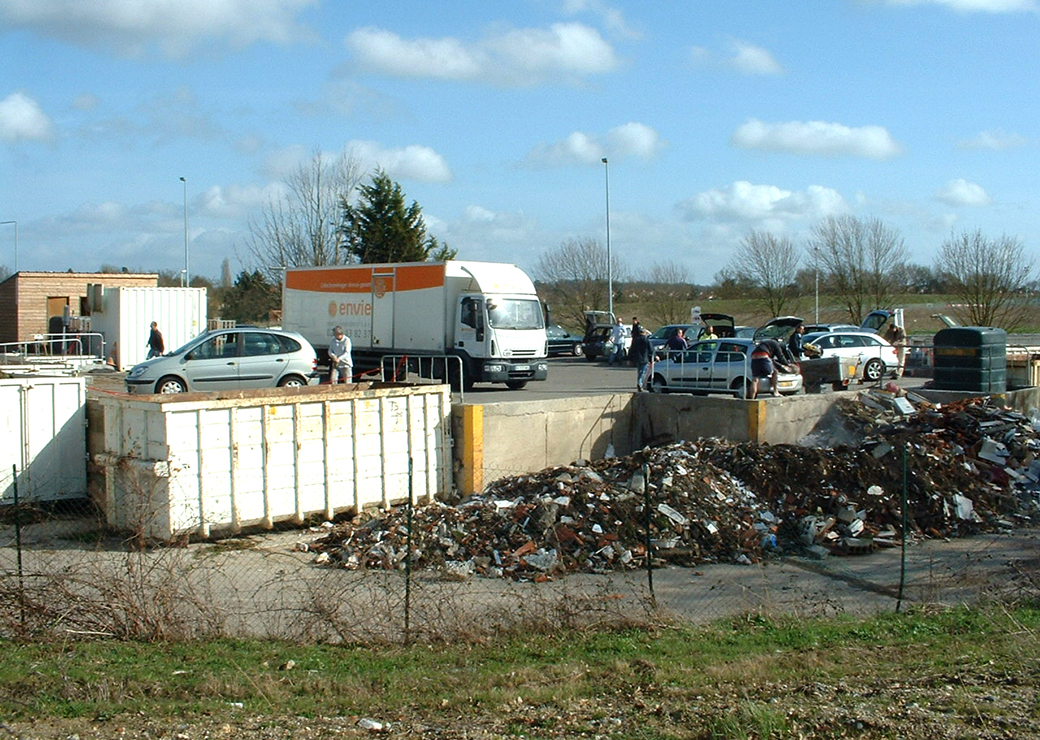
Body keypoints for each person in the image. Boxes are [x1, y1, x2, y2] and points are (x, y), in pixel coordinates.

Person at [629, 324, 653, 392]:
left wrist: (630, 358)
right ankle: (640, 383)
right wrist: (654, 356)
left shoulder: (635, 340)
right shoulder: (646, 340)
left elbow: (631, 349)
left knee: (639, 371)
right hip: (644, 358)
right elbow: (651, 349)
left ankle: (639, 383)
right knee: (643, 372)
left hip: (637, 358)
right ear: (644, 333)